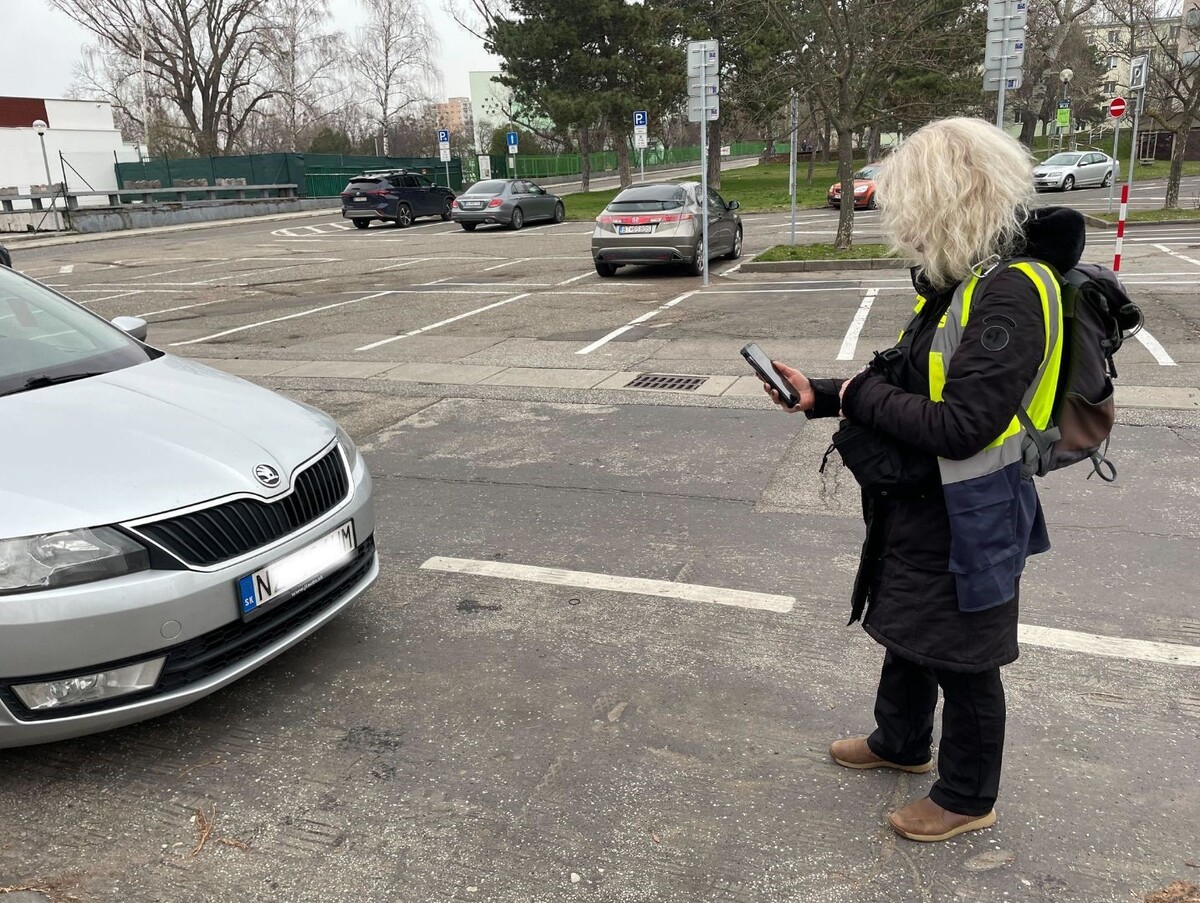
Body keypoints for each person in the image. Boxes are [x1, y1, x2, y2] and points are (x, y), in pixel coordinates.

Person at [763, 117, 1084, 842]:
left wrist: (855, 399)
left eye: (909, 207)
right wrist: (821, 391)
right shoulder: (961, 280)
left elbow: (962, 423)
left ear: (949, 200)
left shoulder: (1014, 292)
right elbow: (905, 376)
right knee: (910, 623)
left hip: (975, 506)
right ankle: (901, 740)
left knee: (966, 654)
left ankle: (969, 794)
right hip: (924, 497)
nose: (899, 224)